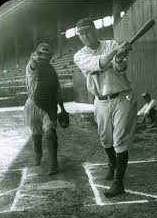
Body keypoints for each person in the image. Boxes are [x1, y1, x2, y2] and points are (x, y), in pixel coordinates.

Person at [74, 18, 137, 198]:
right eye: (82, 33)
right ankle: (112, 164)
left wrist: (120, 58)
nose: (86, 36)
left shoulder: (111, 44)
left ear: (95, 31)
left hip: (122, 96)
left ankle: (118, 182)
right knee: (105, 139)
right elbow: (98, 63)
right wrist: (115, 53)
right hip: (100, 101)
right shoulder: (79, 55)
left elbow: (119, 69)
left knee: (119, 139)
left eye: (88, 31)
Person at [24, 43, 68, 176]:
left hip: (49, 104)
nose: (45, 57)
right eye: (42, 54)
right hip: (32, 103)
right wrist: (34, 59)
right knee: (36, 133)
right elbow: (32, 66)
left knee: (50, 134)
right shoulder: (33, 66)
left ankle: (53, 164)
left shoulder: (51, 70)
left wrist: (62, 108)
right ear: (37, 54)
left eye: (47, 55)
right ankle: (38, 154)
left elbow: (57, 90)